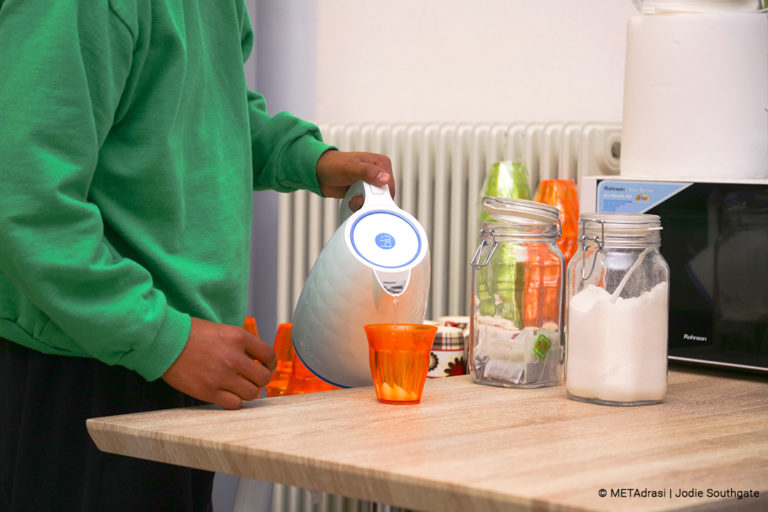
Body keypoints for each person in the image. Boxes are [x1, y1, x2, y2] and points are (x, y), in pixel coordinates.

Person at [0, 1, 394, 511]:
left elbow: (211, 111)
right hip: (85, 365)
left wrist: (308, 159)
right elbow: (26, 203)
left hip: (173, 353)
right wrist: (163, 337)